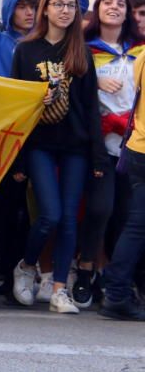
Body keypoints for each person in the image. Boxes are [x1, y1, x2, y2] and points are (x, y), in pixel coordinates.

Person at [0, 0, 92, 303]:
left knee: (45, 214)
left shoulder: (57, 44)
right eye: (20, 6)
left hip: (45, 136)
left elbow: (76, 7)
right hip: (3, 139)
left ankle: (34, 273)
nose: (27, 12)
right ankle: (6, 276)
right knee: (6, 213)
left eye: (32, 6)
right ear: (8, 11)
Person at [11, 0, 106, 315]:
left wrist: (97, 156)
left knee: (68, 219)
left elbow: (91, 107)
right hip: (39, 143)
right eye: (58, 4)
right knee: (48, 214)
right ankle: (26, 265)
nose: (65, 10)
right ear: (46, 10)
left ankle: (59, 289)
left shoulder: (81, 52)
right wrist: (18, 158)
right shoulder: (26, 50)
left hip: (76, 145)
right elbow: (17, 106)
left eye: (71, 5)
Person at [76, 0, 145, 308]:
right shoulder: (85, 50)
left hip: (132, 146)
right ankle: (87, 269)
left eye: (121, 4)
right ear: (97, 8)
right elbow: (74, 89)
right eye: (108, 2)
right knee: (99, 210)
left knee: (126, 217)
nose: (115, 8)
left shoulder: (139, 51)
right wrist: (94, 79)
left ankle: (116, 279)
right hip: (98, 144)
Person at [100, 40, 145, 320]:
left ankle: (117, 291)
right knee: (137, 226)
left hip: (137, 147)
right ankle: (116, 293)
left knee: (137, 224)